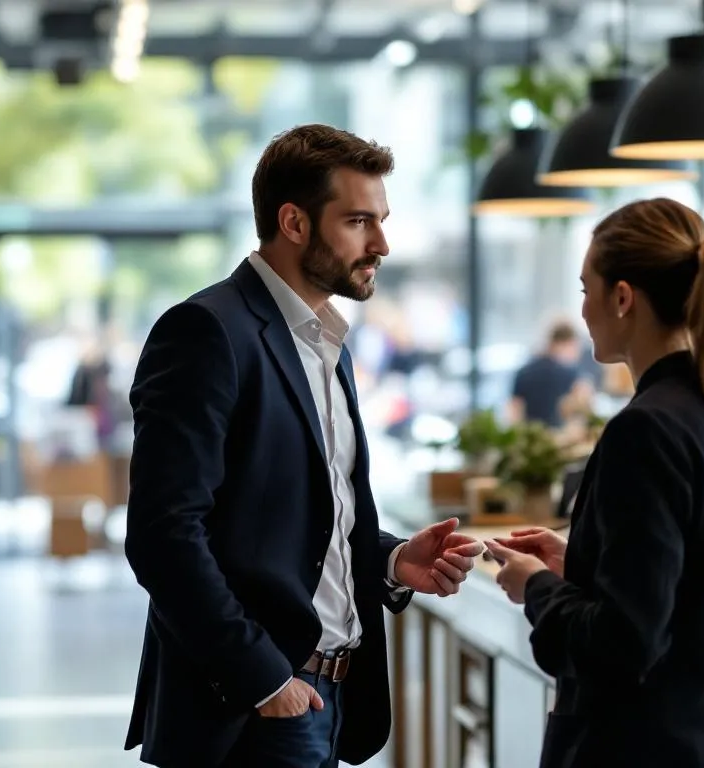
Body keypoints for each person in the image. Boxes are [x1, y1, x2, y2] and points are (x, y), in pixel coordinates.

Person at [123, 124, 485, 768]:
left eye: (381, 220)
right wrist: (262, 679)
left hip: (329, 698)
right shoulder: (207, 332)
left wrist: (394, 560)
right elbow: (163, 534)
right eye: (358, 221)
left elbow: (296, 518)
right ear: (293, 222)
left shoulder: (326, 345)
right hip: (250, 707)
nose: (381, 244)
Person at [484, 198, 704, 768]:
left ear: (622, 298)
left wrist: (538, 588)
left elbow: (623, 647)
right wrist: (582, 567)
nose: (582, 311)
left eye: (584, 290)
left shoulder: (645, 431)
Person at [507, 320, 593, 427]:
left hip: (531, 436)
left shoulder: (524, 371)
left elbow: (514, 412)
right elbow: (583, 407)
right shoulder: (569, 373)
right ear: (567, 343)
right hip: (559, 438)